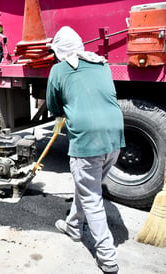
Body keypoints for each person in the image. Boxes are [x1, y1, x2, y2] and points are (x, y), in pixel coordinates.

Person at [46, 26, 125, 273]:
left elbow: (53, 105)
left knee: (91, 196)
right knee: (88, 186)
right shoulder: (102, 64)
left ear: (59, 50)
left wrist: (63, 110)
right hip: (115, 137)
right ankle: (73, 226)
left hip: (87, 140)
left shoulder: (58, 70)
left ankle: (107, 255)